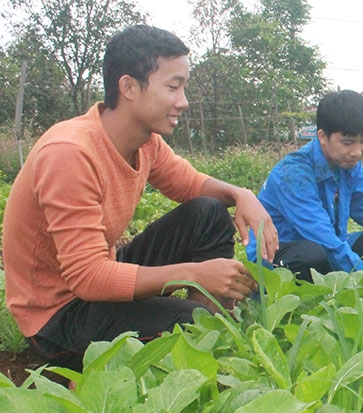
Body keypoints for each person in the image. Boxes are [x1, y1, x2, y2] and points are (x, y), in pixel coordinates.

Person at [2, 24, 278, 372]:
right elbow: (86, 276)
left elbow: (190, 184)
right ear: (129, 87)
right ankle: (194, 333)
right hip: (57, 316)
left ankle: (206, 330)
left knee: (208, 212)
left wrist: (241, 194)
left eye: (184, 87)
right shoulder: (70, 154)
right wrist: (193, 274)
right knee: (188, 319)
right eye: (173, 87)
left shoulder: (144, 141)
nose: (183, 101)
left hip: (99, 282)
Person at [247, 89, 363, 279]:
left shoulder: (348, 165)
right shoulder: (293, 173)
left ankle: (342, 278)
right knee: (313, 257)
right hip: (281, 253)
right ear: (322, 137)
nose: (357, 152)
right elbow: (322, 237)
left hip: (327, 246)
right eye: (347, 142)